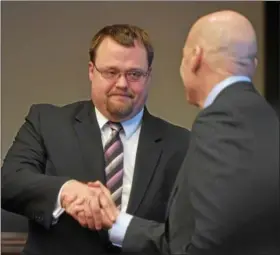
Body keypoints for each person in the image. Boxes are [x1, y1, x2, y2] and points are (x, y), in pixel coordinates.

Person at [89, 10, 280, 255]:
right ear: (252, 64)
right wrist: (120, 224)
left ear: (195, 58)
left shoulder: (221, 119)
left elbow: (204, 241)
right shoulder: (264, 117)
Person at [1, 24, 191, 255]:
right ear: (92, 71)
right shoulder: (47, 122)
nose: (122, 83)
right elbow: (8, 182)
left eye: (134, 74)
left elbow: (187, 234)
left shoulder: (182, 144)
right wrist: (65, 191)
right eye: (111, 72)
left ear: (148, 76)